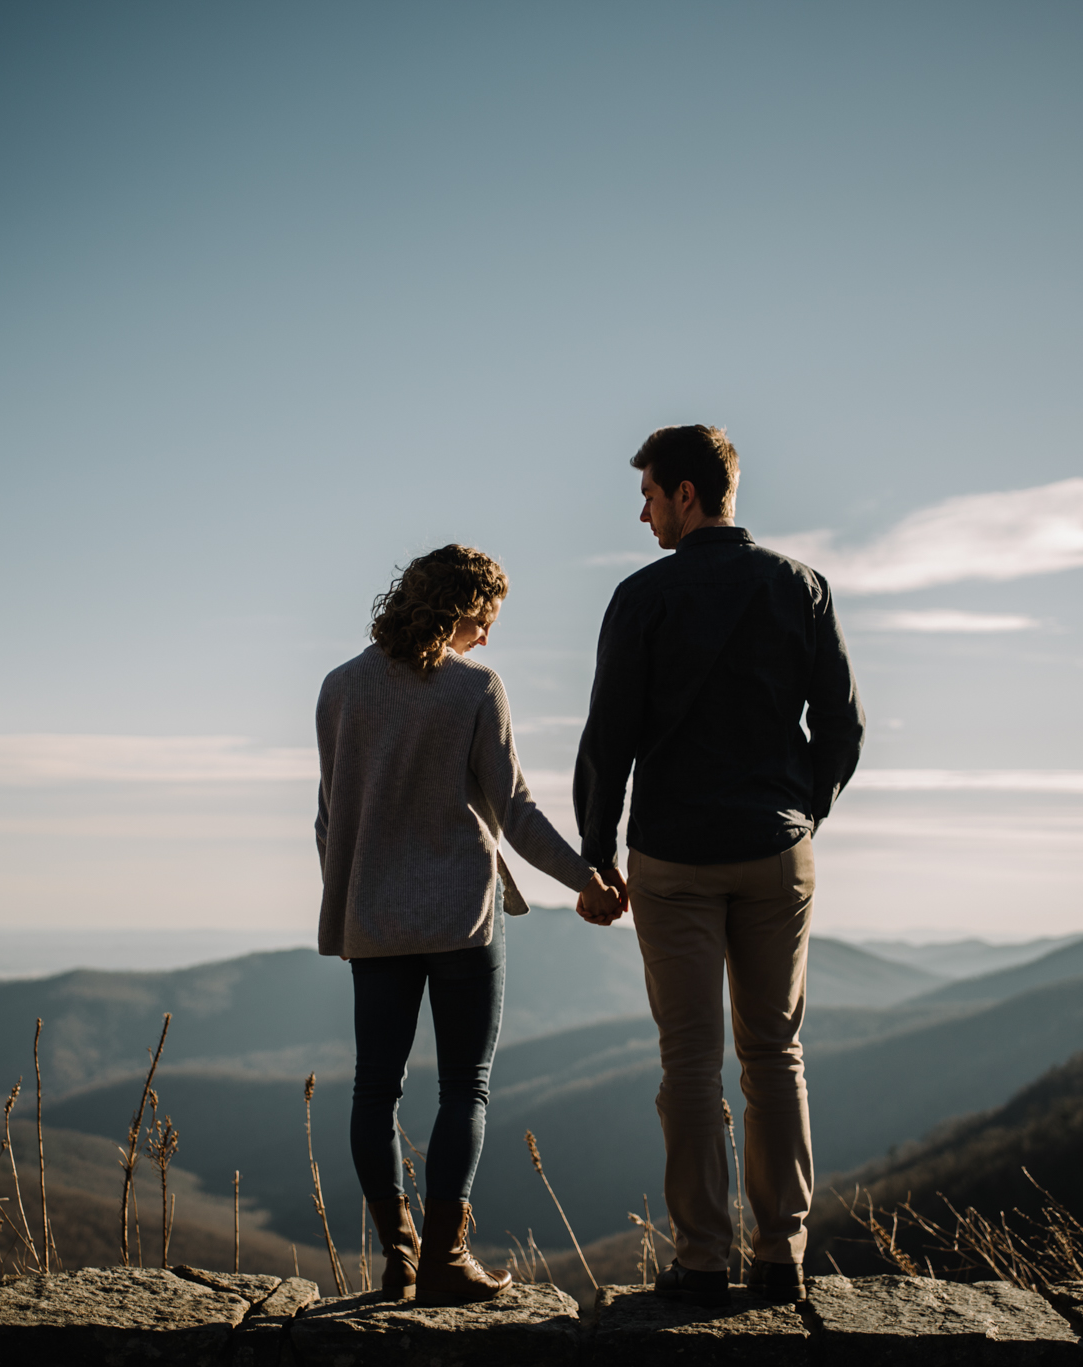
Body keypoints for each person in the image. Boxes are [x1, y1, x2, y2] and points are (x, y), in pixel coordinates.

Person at [574, 425, 865, 1307]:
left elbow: (608, 741)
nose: (644, 512)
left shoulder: (642, 597)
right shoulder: (801, 587)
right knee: (776, 1054)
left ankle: (702, 1261)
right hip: (777, 854)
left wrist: (597, 849)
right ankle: (782, 1256)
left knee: (691, 1062)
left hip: (673, 857)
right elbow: (843, 729)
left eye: (652, 495)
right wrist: (798, 814)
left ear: (689, 496)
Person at [317, 544, 624, 1304]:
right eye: (484, 620)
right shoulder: (475, 688)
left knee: (372, 1089)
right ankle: (447, 1260)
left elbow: (332, 816)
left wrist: (352, 889)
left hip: (374, 919)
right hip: (462, 917)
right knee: (465, 1087)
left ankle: (399, 1255)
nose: (488, 638)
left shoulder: (340, 688)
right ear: (457, 612)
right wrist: (585, 879)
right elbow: (514, 808)